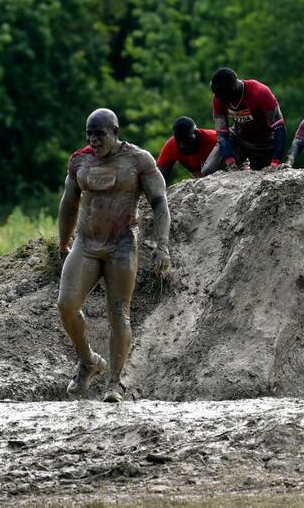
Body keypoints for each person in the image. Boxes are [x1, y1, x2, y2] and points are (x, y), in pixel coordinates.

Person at [57, 108, 171, 402]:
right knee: (66, 304)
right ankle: (88, 362)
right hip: (86, 242)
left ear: (115, 132)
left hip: (122, 244)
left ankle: (114, 383)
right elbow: (68, 203)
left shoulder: (138, 160)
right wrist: (62, 242)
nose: (94, 141)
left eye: (100, 134)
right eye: (89, 135)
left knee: (118, 312)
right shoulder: (79, 160)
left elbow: (159, 202)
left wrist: (163, 244)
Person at [201, 67, 287, 175]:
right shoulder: (218, 99)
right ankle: (241, 164)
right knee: (207, 170)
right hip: (237, 139)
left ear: (232, 88)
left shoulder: (260, 93)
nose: (217, 99)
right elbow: (221, 133)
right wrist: (230, 162)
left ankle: (250, 165)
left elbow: (279, 127)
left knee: (263, 179)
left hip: (263, 144)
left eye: (221, 96)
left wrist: (275, 162)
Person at [156, 116, 218, 183]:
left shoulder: (214, 140)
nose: (182, 146)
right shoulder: (171, 145)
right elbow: (158, 177)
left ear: (196, 132)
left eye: (186, 141)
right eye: (179, 142)